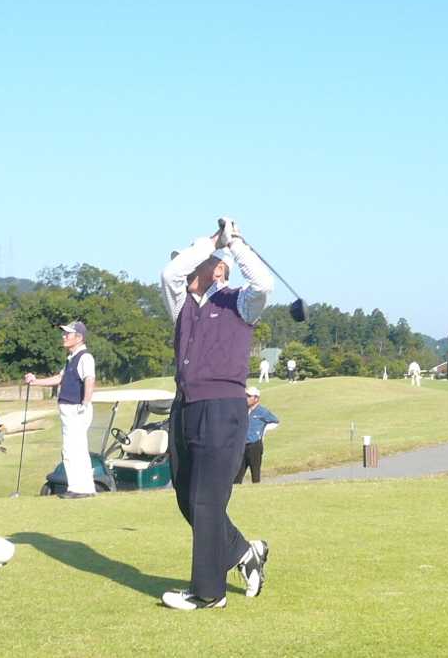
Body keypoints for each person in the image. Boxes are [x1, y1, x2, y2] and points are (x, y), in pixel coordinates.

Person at [159, 217, 274, 611]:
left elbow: (264, 284)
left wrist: (234, 243)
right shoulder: (182, 305)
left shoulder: (240, 301)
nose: (187, 270)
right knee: (187, 498)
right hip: (185, 406)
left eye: (196, 265)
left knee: (207, 500)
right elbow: (169, 273)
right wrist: (211, 241)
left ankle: (209, 593)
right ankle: (243, 551)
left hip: (222, 407)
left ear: (219, 269)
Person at [24, 321, 96, 499]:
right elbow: (59, 379)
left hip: (76, 409)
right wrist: (35, 382)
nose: (64, 337)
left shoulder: (85, 357)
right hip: (71, 409)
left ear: (79, 338)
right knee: (75, 449)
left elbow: (90, 379)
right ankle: (85, 488)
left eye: (68, 334)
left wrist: (85, 403)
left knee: (72, 450)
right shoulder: (71, 358)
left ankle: (79, 488)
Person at [234, 386, 279, 484]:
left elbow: (275, 421)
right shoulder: (242, 410)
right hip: (242, 445)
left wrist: (263, 430)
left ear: (256, 398)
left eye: (248, 396)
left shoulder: (262, 411)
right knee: (237, 476)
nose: (246, 398)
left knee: (255, 473)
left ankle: (256, 489)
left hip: (255, 445)